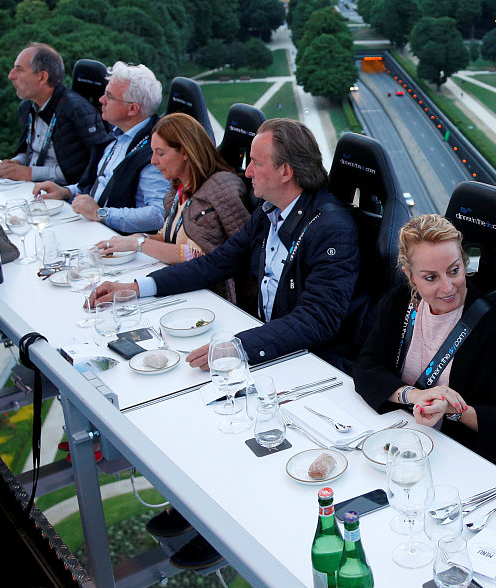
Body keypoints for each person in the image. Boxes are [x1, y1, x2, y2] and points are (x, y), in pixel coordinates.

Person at [89, 118, 362, 371]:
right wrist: (136, 288)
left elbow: (317, 320)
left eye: (256, 163)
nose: (248, 172)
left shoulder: (332, 229)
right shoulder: (269, 212)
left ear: (285, 171)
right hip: (266, 342)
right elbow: (217, 262)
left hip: (307, 362)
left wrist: (239, 347)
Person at [353, 214, 496, 461]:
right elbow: (365, 367)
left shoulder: (491, 324)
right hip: (399, 441)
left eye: (454, 270)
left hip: (453, 456)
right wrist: (412, 395)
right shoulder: (401, 301)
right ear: (410, 276)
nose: (447, 287)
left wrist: (453, 409)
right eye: (431, 277)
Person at [93, 113, 249, 302]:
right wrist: (135, 239)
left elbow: (199, 255)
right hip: (183, 284)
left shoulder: (221, 187)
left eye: (161, 153)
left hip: (212, 297)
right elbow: (169, 237)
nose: (153, 161)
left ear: (185, 152)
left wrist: (139, 244)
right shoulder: (179, 188)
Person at [33, 61, 169, 233]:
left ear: (132, 108)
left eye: (110, 96)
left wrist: (101, 213)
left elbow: (158, 215)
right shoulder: (117, 135)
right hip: (94, 229)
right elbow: (100, 184)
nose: (101, 100)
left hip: (121, 246)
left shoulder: (155, 151)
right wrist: (66, 192)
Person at [0, 43, 108, 184]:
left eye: (19, 70)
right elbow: (31, 150)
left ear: (42, 77)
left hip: (63, 197)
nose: (11, 75)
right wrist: (16, 163)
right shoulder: (27, 107)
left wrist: (30, 173)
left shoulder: (77, 111)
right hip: (31, 187)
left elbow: (94, 167)